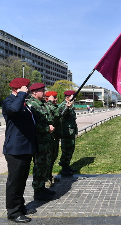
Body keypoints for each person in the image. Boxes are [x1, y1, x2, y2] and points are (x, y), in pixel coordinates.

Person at [2, 78, 36, 223]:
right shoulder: (9, 101)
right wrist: (21, 94)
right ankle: (13, 212)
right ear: (18, 89)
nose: (28, 90)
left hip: (25, 148)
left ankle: (20, 206)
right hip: (15, 150)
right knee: (14, 182)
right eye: (26, 88)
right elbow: (13, 110)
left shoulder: (24, 104)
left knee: (21, 181)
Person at [27, 83, 56, 201]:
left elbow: (52, 115)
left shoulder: (43, 104)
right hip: (39, 141)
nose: (44, 93)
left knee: (45, 165)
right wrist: (46, 129)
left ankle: (42, 188)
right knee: (39, 167)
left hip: (46, 141)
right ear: (34, 92)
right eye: (42, 91)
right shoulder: (31, 105)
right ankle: (37, 192)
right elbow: (32, 124)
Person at [45, 91, 63, 188]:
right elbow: (56, 113)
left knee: (53, 157)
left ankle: (49, 175)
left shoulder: (54, 106)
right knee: (48, 159)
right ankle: (46, 179)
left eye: (56, 97)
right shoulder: (47, 106)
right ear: (47, 98)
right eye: (54, 97)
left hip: (55, 136)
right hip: (48, 138)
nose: (56, 99)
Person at [59, 90, 78, 176]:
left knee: (70, 150)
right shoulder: (64, 105)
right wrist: (67, 107)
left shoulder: (71, 105)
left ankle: (67, 166)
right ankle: (64, 168)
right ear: (67, 97)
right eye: (73, 96)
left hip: (71, 132)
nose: (75, 98)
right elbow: (61, 113)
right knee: (66, 150)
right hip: (66, 133)